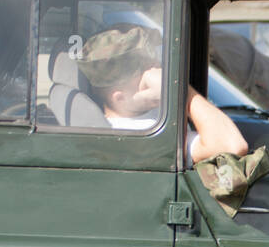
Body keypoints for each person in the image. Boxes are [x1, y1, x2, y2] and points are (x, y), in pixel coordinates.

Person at [80, 24, 248, 162]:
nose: (159, 71)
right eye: (146, 68)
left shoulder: (148, 117)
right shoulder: (140, 134)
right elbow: (232, 146)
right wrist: (178, 90)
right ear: (120, 98)